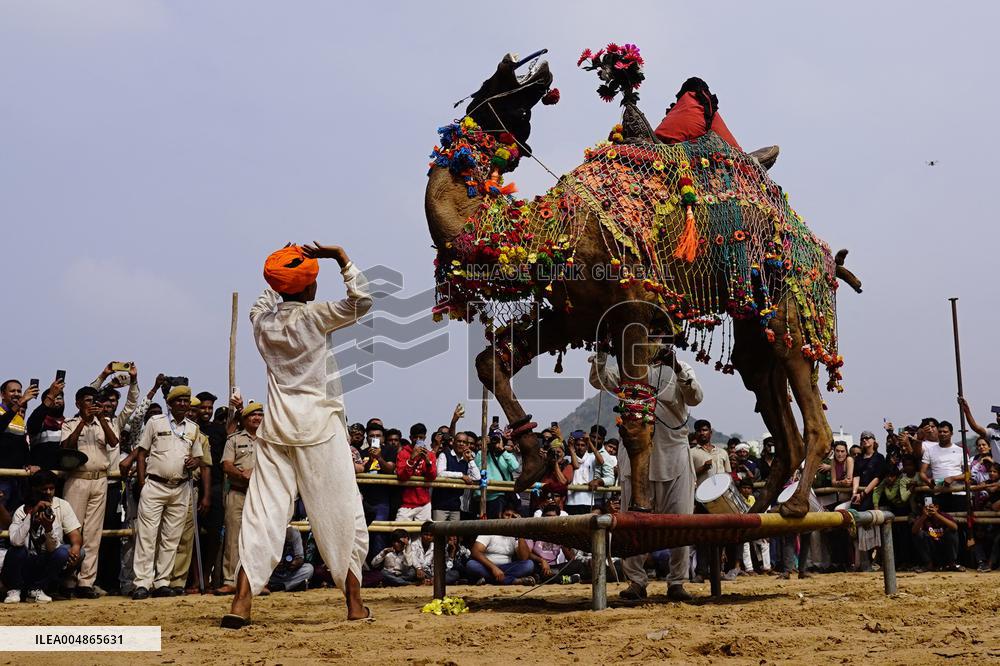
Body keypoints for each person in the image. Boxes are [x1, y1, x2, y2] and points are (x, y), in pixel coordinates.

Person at [224, 242, 372, 628]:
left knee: (262, 515)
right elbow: (363, 302)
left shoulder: (262, 323)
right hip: (320, 428)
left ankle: (241, 603)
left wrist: (280, 265)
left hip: (275, 431)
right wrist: (341, 258)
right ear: (309, 289)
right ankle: (354, 605)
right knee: (340, 513)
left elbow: (263, 300)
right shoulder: (317, 315)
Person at [589, 339, 703, 602]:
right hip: (634, 458)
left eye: (657, 338)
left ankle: (677, 582)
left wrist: (677, 368)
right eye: (647, 338)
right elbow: (599, 380)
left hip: (674, 455)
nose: (653, 343)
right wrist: (603, 351)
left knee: (682, 524)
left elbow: (696, 397)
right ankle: (636, 582)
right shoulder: (628, 369)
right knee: (632, 522)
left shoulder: (681, 367)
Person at [131, 385, 207, 599]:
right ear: (170, 403)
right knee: (147, 536)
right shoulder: (156, 422)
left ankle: (162, 581)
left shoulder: (193, 428)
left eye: (186, 401)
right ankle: (142, 583)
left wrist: (195, 461)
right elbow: (141, 452)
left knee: (171, 538)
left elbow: (199, 456)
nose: (183, 404)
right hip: (154, 485)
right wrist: (141, 482)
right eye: (179, 401)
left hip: (181, 487)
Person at [60, 385, 120, 599]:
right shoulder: (70, 423)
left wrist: (101, 419)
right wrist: (84, 423)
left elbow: (114, 442)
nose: (92, 405)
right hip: (77, 480)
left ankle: (86, 582)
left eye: (95, 401)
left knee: (93, 535)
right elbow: (67, 445)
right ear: (78, 403)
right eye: (88, 401)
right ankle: (68, 581)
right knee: (73, 531)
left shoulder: (105, 423)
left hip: (100, 480)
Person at [2, 471, 83, 604]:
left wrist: (48, 528)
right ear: (35, 490)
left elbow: (54, 549)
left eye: (51, 488)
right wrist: (30, 517)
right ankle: (15, 589)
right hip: (25, 562)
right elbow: (16, 541)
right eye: (44, 489)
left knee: (65, 552)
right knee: (17, 550)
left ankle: (37, 589)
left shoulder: (58, 507)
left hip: (44, 559)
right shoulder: (21, 510)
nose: (48, 492)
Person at [215, 402, 262, 595]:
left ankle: (259, 581)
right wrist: (241, 474)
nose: (257, 418)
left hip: (260, 495)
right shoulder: (234, 439)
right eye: (253, 415)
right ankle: (230, 580)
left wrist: (257, 472)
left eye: (261, 415)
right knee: (233, 538)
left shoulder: (269, 441)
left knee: (259, 538)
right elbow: (226, 465)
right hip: (237, 492)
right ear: (244, 419)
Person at [654, 77, 742, 150]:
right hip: (727, 159)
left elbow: (663, 134)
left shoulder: (688, 102)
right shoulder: (709, 109)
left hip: (673, 151)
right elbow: (733, 146)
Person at [466, 504, 536, 585]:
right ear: (500, 515)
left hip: (506, 568)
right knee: (471, 565)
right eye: (507, 515)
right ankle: (513, 581)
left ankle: (489, 580)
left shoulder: (515, 535)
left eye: (513, 517)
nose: (510, 518)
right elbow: (475, 552)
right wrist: (494, 568)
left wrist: (520, 533)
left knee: (529, 565)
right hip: (487, 567)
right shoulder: (491, 529)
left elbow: (524, 558)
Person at [0, 379, 39, 510]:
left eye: (19, 391)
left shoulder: (18, 418)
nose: (17, 394)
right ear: (2, 394)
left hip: (17, 479)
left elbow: (22, 445)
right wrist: (21, 402)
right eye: (12, 391)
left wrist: (29, 463)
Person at [851, 431, 885, 572]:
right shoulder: (858, 459)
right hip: (858, 495)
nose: (865, 440)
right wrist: (855, 493)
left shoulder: (879, 458)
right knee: (856, 525)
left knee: (871, 526)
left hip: (873, 496)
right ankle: (862, 561)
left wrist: (863, 493)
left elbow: (877, 478)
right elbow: (856, 476)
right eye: (862, 438)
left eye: (867, 438)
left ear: (873, 440)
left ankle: (875, 560)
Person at [918, 417, 967, 515]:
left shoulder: (960, 450)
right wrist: (928, 482)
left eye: (945, 432)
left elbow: (968, 474)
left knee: (961, 523)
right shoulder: (930, 450)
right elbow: (922, 473)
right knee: (942, 523)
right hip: (939, 493)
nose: (942, 434)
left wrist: (953, 478)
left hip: (959, 493)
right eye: (940, 432)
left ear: (951, 433)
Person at [433, 425, 479, 522]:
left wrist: (470, 459)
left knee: (454, 535)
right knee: (438, 533)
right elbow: (440, 473)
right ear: (453, 442)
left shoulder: (466, 460)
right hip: (440, 505)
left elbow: (477, 477)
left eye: (464, 442)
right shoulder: (444, 455)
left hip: (455, 506)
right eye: (459, 441)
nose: (461, 444)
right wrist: (462, 475)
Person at [473, 430, 521, 519]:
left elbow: (515, 467)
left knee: (495, 524)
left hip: (499, 495)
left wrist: (502, 450)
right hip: (483, 495)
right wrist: (485, 447)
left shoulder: (506, 455)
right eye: (493, 439)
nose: (495, 442)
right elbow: (476, 468)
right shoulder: (481, 453)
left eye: (497, 439)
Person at [394, 425, 438, 521]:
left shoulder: (430, 455)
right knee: (400, 531)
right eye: (415, 437)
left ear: (425, 438)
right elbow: (401, 475)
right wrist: (411, 459)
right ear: (410, 438)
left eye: (421, 438)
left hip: (424, 502)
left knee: (421, 534)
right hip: (405, 502)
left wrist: (427, 462)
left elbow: (432, 477)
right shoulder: (403, 453)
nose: (418, 440)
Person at [565, 432, 613, 515]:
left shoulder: (591, 457)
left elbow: (601, 461)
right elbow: (576, 465)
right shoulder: (569, 458)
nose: (580, 447)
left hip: (587, 500)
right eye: (577, 445)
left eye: (583, 445)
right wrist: (571, 448)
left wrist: (590, 442)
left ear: (586, 446)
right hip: (571, 500)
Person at [25, 378, 66, 471]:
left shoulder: (69, 424)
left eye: (59, 398)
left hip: (63, 478)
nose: (56, 401)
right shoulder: (39, 422)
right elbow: (32, 425)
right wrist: (51, 395)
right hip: (42, 477)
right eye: (53, 398)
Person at [912, 500, 964, 572]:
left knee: (952, 532)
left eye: (931, 507)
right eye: (926, 507)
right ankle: (928, 565)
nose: (929, 509)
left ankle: (952, 564)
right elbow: (914, 531)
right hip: (932, 548)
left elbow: (955, 527)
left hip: (944, 548)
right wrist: (923, 516)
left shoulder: (944, 515)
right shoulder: (922, 517)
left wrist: (937, 515)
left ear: (936, 507)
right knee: (919, 534)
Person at [267, 527, 314, 592]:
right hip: (272, 574)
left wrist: (294, 563)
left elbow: (300, 557)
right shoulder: (268, 533)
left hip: (288, 572)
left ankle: (281, 586)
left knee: (308, 569)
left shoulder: (294, 533)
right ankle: (292, 586)